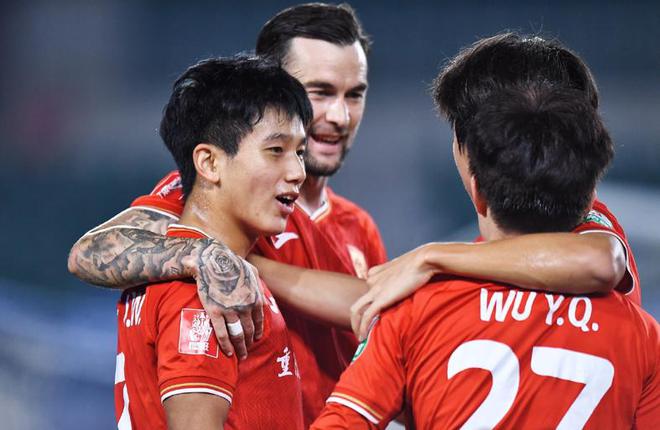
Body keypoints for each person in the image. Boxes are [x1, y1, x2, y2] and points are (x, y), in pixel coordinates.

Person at [68, 6, 639, 425]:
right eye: (318, 92)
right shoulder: (212, 202)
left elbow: (377, 316)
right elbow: (90, 252)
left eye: (355, 94)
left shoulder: (357, 227)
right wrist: (210, 254)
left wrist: (428, 263)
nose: (338, 116)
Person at [311, 38, 659, 428]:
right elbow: (372, 297)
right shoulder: (640, 334)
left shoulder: (422, 303)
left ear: (475, 182)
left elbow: (601, 261)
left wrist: (430, 257)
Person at [115, 55, 312, 429]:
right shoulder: (207, 290)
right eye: (276, 150)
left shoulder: (172, 268)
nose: (297, 172)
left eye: (300, 152)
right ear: (209, 163)